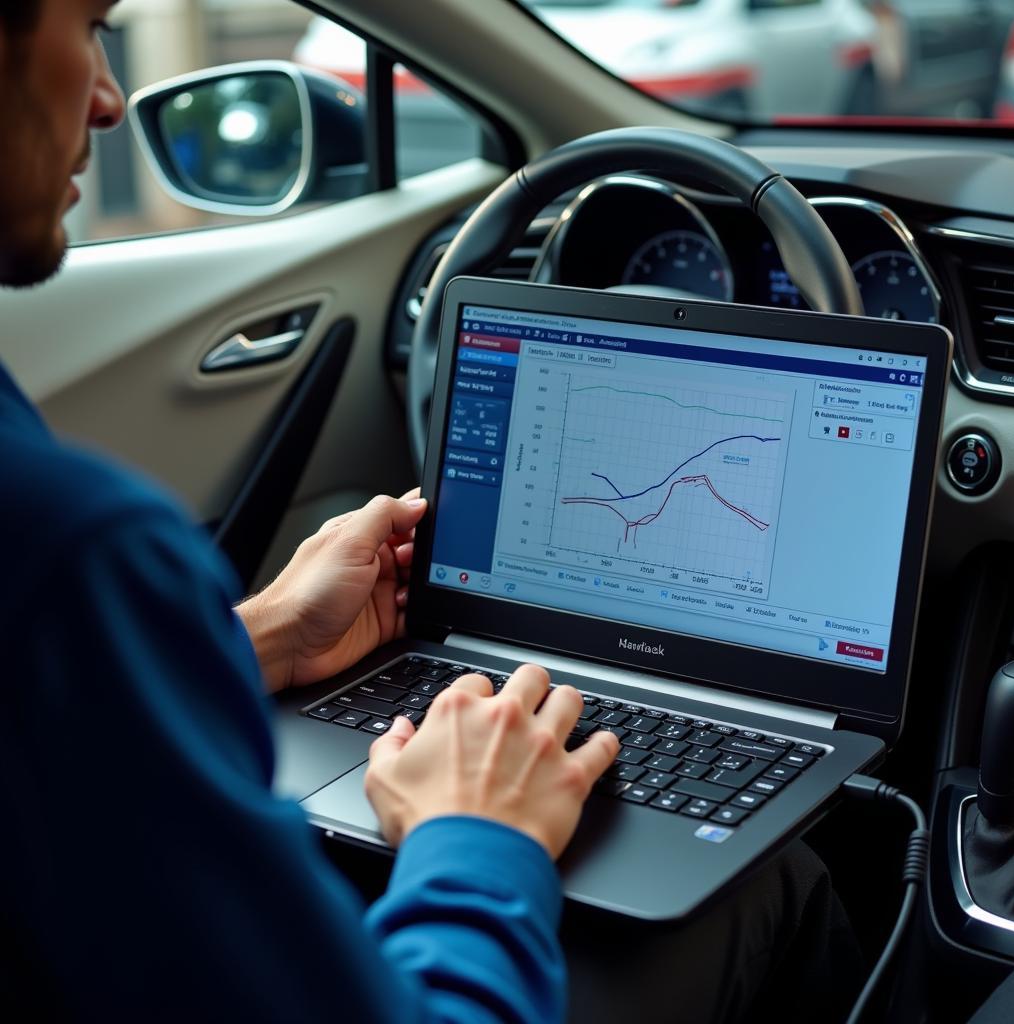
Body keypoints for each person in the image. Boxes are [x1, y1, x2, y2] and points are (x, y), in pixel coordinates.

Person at [0, 2, 864, 1021]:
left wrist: (268, 634)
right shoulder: (70, 549)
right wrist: (476, 836)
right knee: (780, 882)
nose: (108, 98)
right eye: (91, 25)